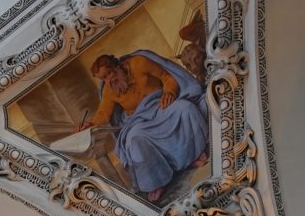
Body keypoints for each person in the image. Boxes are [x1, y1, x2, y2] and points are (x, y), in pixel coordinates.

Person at [74, 50, 211, 202]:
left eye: (109, 73)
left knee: (185, 109)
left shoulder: (139, 63)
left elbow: (167, 77)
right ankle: (157, 182)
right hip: (138, 120)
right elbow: (103, 114)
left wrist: (169, 92)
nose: (109, 80)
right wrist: (90, 124)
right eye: (103, 79)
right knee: (134, 139)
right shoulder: (109, 89)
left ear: (118, 65)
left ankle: (193, 155)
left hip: (161, 105)